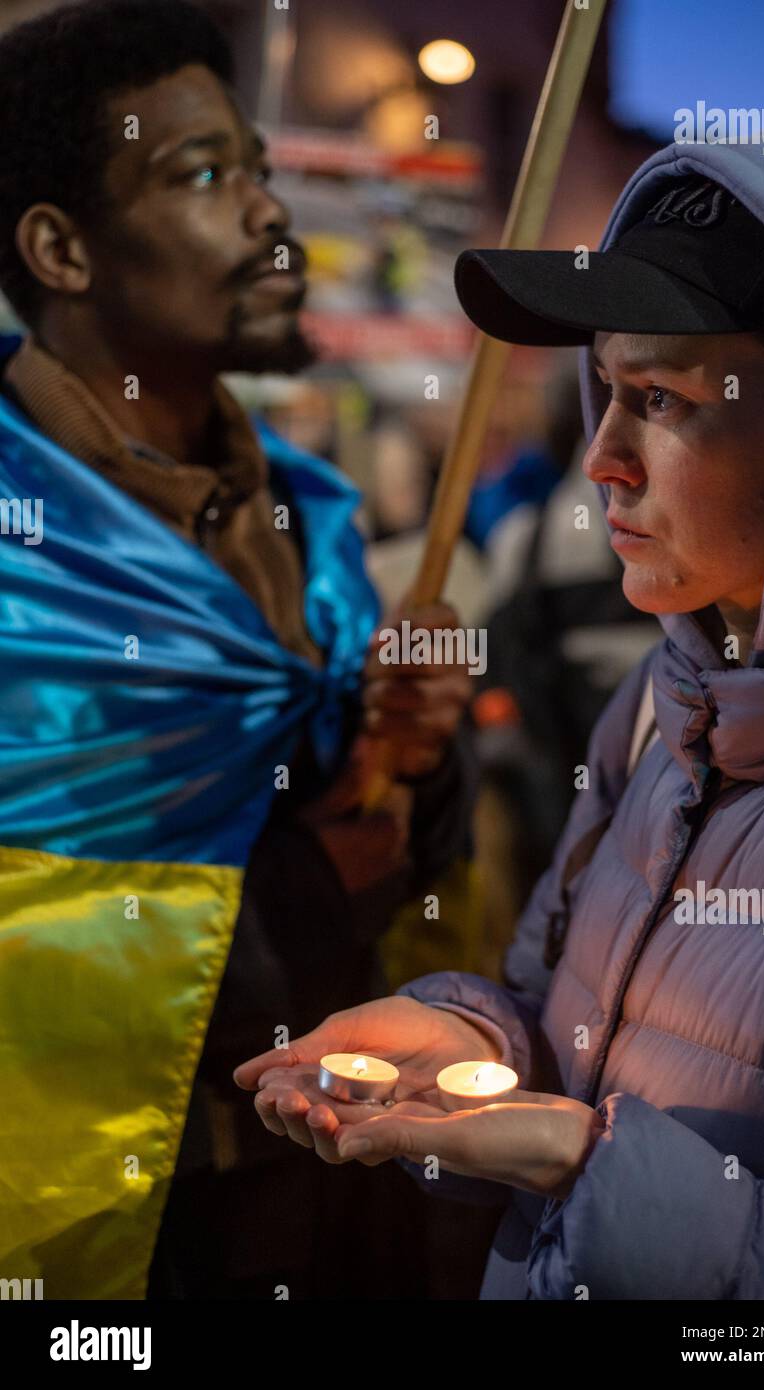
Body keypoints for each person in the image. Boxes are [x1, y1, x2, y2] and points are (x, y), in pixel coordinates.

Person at [237, 131, 764, 1300]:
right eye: (604, 390)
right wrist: (475, 1042)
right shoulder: (659, 706)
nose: (600, 461)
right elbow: (557, 1023)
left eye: (661, 400)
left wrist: (587, 1162)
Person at [0, 0, 481, 1301]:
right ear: (60, 248)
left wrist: (415, 757)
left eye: (258, 169)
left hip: (329, 1178)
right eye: (205, 175)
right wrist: (299, 897)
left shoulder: (310, 517)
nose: (269, 213)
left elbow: (392, 847)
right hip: (106, 1227)